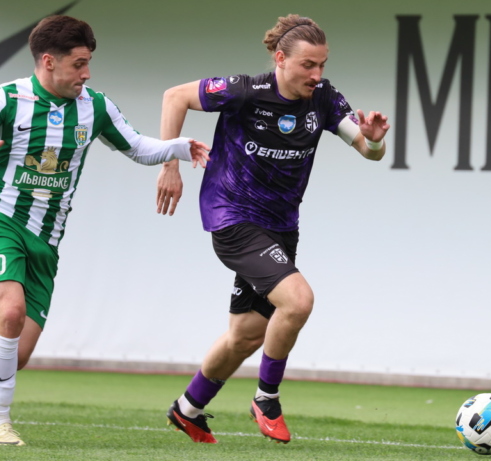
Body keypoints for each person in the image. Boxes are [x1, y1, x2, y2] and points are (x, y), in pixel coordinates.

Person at [0, 15, 210, 446]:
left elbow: (137, 146)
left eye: (88, 63)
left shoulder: (95, 106)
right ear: (49, 61)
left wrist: (178, 147)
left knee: (14, 351)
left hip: (47, 238)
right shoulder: (8, 98)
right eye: (79, 64)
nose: (86, 74)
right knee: (8, 314)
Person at [156, 14, 390, 445]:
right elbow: (175, 97)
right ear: (281, 59)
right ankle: (266, 399)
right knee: (298, 301)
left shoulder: (324, 99)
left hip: (281, 227)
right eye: (308, 65)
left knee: (246, 335)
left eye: (322, 65)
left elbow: (368, 150)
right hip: (233, 217)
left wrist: (374, 138)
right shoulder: (245, 91)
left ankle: (188, 409)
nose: (316, 74)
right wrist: (169, 164)